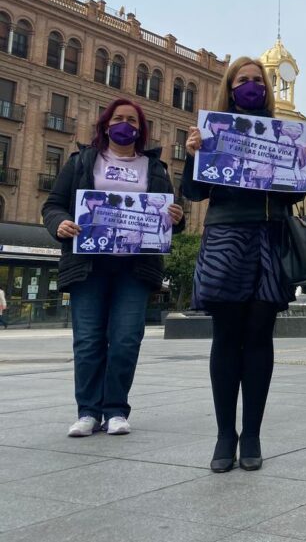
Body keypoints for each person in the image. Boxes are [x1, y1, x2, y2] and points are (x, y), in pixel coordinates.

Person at [182, 56, 306, 473]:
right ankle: (226, 434)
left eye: (257, 80)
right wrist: (192, 155)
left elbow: (293, 196)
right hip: (226, 237)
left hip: (269, 237)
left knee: (260, 336)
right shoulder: (213, 129)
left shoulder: (285, 133)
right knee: (226, 337)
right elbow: (194, 192)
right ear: (230, 86)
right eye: (243, 80)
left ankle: (253, 433)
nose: (251, 86)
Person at [42, 98, 184, 437]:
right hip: (87, 266)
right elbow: (53, 206)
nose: (125, 124)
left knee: (125, 339)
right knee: (88, 340)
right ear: (106, 125)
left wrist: (175, 218)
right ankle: (88, 411)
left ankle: (116, 409)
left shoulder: (156, 169)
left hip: (135, 269)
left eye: (131, 119)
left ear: (141, 128)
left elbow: (168, 219)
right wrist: (60, 223)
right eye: (118, 118)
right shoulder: (82, 162)